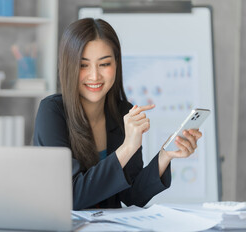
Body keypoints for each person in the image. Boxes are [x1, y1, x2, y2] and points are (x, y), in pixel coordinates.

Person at [33, 18, 202, 210]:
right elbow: (70, 196)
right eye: (83, 65)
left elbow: (132, 196)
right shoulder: (52, 112)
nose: (95, 76)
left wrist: (165, 156)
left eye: (104, 64)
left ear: (117, 64)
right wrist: (127, 148)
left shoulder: (123, 112)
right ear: (68, 66)